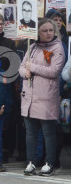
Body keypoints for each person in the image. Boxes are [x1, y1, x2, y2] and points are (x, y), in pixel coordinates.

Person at [20, 19, 64, 176]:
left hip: (46, 97)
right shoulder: (32, 47)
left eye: (51, 30)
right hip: (29, 97)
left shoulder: (58, 47)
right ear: (37, 32)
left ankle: (49, 162)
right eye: (44, 30)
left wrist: (33, 68)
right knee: (30, 132)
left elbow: (54, 71)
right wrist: (23, 72)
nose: (48, 33)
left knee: (48, 132)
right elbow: (22, 65)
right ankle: (31, 162)